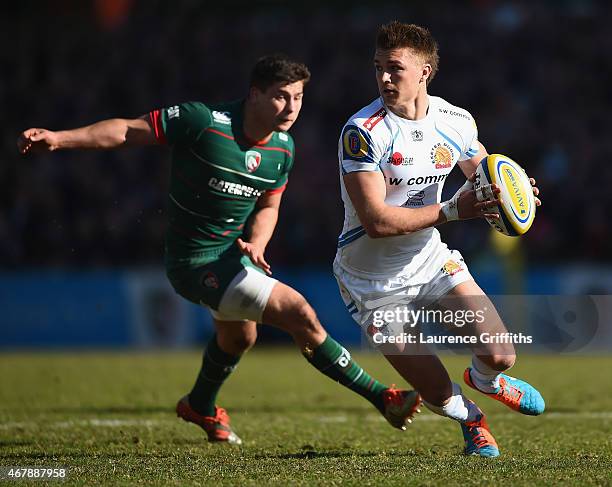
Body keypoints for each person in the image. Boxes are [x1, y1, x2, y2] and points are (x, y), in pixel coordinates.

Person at [17, 54, 421, 445]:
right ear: (255, 94)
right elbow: (127, 129)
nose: (291, 106)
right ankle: (382, 398)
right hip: (192, 263)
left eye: (298, 97)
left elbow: (269, 205)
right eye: (281, 95)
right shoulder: (203, 121)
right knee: (298, 312)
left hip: (232, 257)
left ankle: (199, 405)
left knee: (239, 339)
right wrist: (59, 138)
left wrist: (258, 243)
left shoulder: (282, 148)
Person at [334, 22, 545, 458]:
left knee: (502, 353)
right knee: (433, 388)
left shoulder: (456, 121)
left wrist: (514, 190)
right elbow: (376, 221)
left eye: (395, 69)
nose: (384, 78)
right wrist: (452, 210)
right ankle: (472, 420)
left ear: (425, 72)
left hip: (429, 261)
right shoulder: (363, 133)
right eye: (378, 68)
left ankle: (485, 380)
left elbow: (484, 173)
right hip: (372, 282)